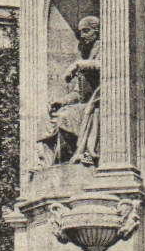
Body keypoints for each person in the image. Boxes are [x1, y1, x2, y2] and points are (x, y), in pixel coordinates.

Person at [40, 16, 101, 166]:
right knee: (47, 120)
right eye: (81, 32)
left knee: (65, 116)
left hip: (98, 102)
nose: (82, 35)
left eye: (86, 31)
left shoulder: (104, 49)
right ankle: (48, 163)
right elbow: (77, 93)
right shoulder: (87, 55)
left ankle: (82, 155)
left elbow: (104, 66)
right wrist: (62, 101)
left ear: (97, 31)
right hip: (84, 103)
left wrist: (78, 65)